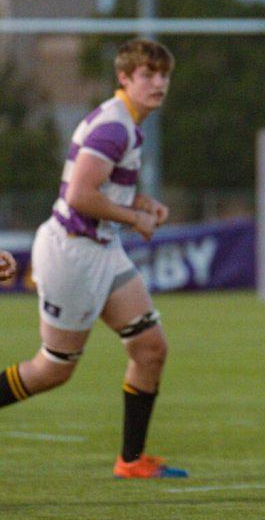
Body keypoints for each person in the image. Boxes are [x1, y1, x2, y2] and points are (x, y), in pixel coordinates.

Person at [0, 39, 186, 479]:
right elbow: (81, 195)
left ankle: (131, 460)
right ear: (124, 77)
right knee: (52, 370)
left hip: (100, 249)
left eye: (164, 75)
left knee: (150, 348)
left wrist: (142, 202)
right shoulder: (114, 127)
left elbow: (104, 186)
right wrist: (134, 219)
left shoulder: (127, 124)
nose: (158, 83)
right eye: (148, 74)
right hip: (72, 253)